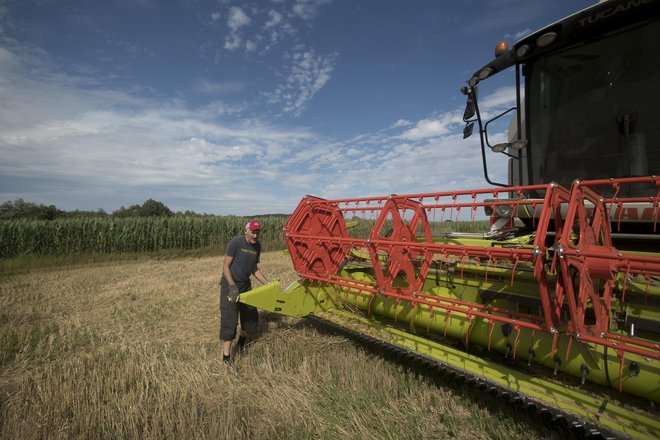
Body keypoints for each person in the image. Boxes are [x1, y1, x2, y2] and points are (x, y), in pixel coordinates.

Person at [219, 220, 269, 364]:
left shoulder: (257, 246)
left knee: (251, 317)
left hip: (246, 285)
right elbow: (225, 266)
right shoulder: (236, 243)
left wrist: (267, 283)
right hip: (230, 284)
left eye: (258, 232)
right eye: (253, 232)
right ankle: (227, 356)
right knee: (230, 320)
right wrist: (232, 286)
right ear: (245, 231)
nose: (255, 235)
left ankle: (241, 342)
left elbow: (254, 268)